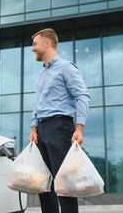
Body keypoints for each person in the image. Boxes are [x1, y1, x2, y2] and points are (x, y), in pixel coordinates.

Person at [28, 28, 90, 213]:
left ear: (47, 43)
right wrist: (33, 128)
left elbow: (82, 96)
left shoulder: (66, 67)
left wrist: (79, 128)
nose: (33, 49)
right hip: (41, 131)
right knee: (44, 185)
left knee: (64, 185)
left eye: (35, 44)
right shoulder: (41, 74)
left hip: (60, 128)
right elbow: (37, 104)